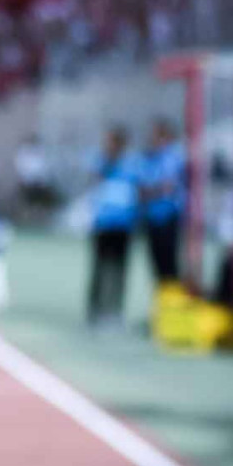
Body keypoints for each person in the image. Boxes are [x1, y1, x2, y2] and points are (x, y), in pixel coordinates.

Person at [87, 126, 140, 329]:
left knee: (119, 269)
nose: (106, 144)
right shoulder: (101, 161)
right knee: (100, 268)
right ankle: (95, 309)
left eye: (110, 141)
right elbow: (94, 180)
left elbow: (138, 187)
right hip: (103, 222)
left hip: (123, 223)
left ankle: (115, 310)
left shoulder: (132, 163)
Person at [139, 119, 184, 283]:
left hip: (168, 215)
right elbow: (142, 187)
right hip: (152, 216)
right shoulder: (149, 158)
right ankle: (162, 293)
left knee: (169, 259)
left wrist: (152, 190)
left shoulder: (173, 157)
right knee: (156, 260)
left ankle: (172, 293)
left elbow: (168, 185)